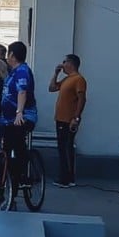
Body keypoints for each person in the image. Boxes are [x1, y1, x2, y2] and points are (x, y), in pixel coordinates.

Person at [0, 41, 38, 195]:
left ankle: (21, 176)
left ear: (12, 55)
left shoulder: (22, 71)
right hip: (8, 119)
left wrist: (19, 112)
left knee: (16, 144)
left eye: (8, 54)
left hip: (23, 117)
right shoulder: (13, 72)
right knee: (6, 148)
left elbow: (22, 92)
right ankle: (5, 183)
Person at [48, 53, 87, 188]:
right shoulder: (66, 80)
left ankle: (66, 177)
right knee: (62, 147)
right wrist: (56, 74)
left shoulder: (78, 79)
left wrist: (76, 117)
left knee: (66, 148)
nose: (62, 64)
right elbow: (52, 88)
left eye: (64, 62)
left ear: (71, 64)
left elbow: (81, 98)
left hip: (68, 119)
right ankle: (66, 176)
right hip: (60, 118)